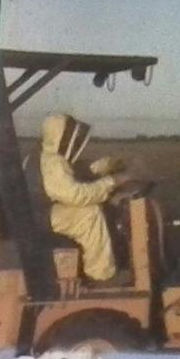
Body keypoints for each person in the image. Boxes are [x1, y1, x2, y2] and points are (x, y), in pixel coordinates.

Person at [39, 112, 130, 283]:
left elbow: (76, 171)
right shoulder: (53, 162)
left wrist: (106, 165)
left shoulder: (47, 156)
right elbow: (76, 195)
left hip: (38, 213)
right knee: (89, 215)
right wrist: (112, 182)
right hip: (42, 217)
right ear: (62, 136)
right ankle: (101, 276)